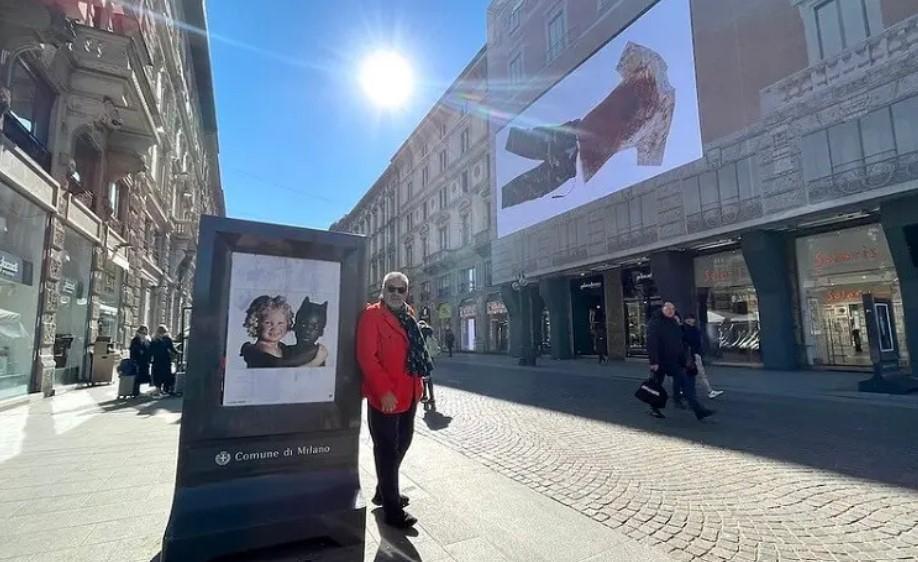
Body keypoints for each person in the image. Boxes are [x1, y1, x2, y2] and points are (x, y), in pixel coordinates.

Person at [357, 271, 431, 529]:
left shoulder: (408, 315)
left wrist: (418, 386)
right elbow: (367, 357)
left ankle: (383, 489)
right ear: (383, 289)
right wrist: (384, 391)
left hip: (408, 392)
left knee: (405, 441)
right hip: (385, 396)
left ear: (406, 292)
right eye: (392, 289)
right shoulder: (372, 315)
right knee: (387, 450)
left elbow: (414, 353)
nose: (396, 294)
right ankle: (392, 510)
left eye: (401, 289)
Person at [646, 302, 714, 421]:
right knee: (656, 385)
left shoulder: (673, 322)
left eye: (673, 309)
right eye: (668, 309)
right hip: (661, 360)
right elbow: (652, 343)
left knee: (685, 382)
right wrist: (654, 362)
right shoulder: (655, 323)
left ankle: (699, 410)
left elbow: (679, 342)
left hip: (675, 360)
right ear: (663, 309)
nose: (671, 311)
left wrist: (684, 359)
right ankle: (654, 408)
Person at [683, 313, 723, 399]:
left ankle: (684, 390)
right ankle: (709, 391)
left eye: (691, 318)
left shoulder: (688, 329)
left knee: (690, 374)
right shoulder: (690, 330)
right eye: (688, 319)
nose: (690, 320)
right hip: (692, 354)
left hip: (691, 354)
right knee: (700, 374)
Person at [150, 325, 177, 396]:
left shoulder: (155, 339)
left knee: (159, 375)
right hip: (164, 360)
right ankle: (164, 390)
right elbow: (172, 349)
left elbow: (151, 350)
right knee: (165, 375)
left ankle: (159, 389)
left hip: (159, 360)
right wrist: (177, 352)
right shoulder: (167, 339)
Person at [418, 321, 439, 407]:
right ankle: (430, 396)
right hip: (431, 357)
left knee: (424, 377)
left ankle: (426, 396)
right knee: (428, 377)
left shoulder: (420, 333)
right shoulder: (430, 333)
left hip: (424, 357)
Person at [128, 325, 151, 397]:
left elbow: (148, 348)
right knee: (136, 376)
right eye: (143, 332)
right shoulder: (136, 339)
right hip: (137, 361)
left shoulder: (146, 340)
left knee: (141, 376)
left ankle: (137, 391)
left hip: (144, 361)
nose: (144, 334)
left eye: (145, 332)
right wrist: (139, 351)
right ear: (139, 331)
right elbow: (133, 349)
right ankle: (135, 392)